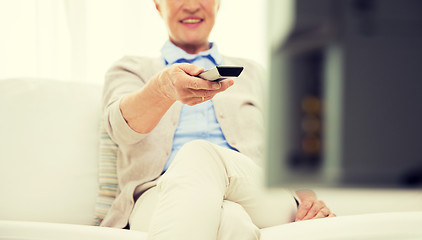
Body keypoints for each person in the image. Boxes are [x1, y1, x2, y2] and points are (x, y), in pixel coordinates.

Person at [100, 0, 335, 239]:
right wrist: (162, 89)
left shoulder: (254, 73)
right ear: (158, 5)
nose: (191, 5)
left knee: (199, 154)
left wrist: (310, 202)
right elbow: (120, 130)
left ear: (218, 4)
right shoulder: (130, 68)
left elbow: (292, 151)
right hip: (156, 194)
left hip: (257, 192)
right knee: (231, 221)